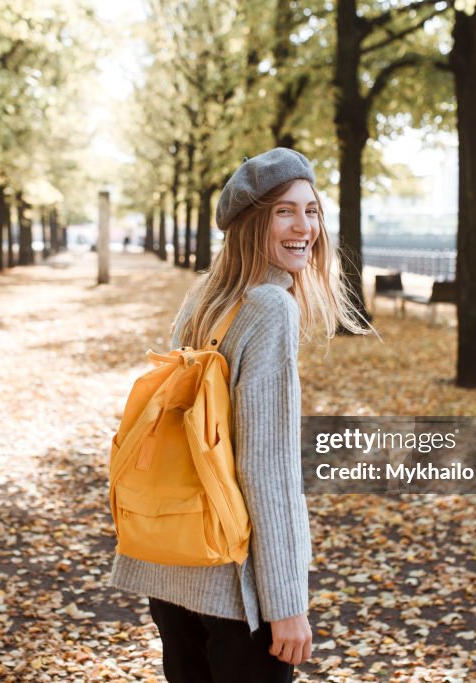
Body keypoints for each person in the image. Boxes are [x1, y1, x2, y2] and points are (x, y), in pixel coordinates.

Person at [109, 148, 371, 682]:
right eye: (284, 212)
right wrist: (287, 604)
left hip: (173, 568)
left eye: (312, 210)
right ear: (252, 224)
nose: (305, 227)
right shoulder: (270, 308)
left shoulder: (206, 297)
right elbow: (267, 469)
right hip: (234, 590)